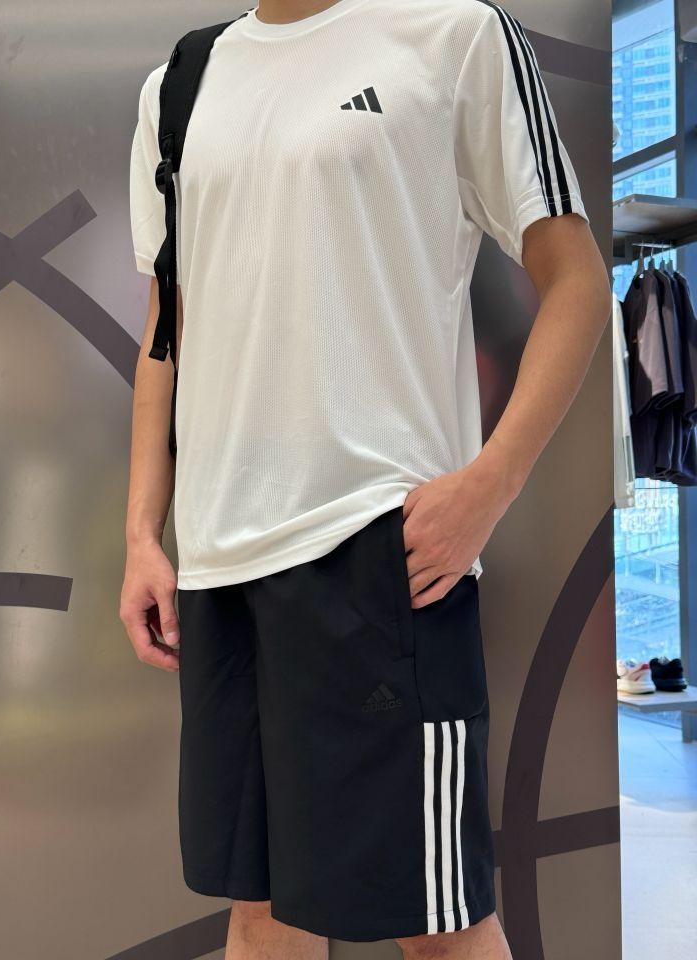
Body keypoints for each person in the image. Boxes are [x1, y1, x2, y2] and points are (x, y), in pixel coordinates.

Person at [120, 0, 611, 957]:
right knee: (261, 916)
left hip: (375, 559)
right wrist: (144, 532)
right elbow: (166, 329)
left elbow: (578, 281)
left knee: (437, 925)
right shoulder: (179, 85)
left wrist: (493, 481)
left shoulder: (452, 35)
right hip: (222, 570)